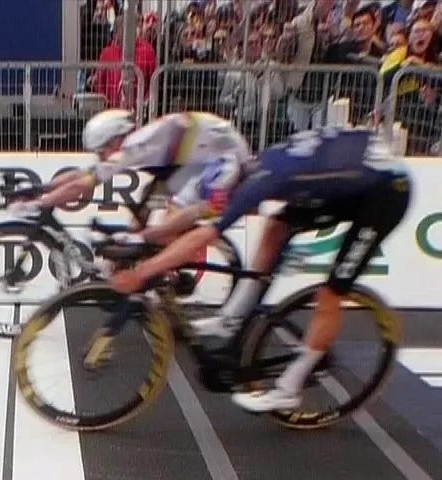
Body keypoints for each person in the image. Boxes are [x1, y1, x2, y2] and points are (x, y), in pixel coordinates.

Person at [109, 126, 411, 412]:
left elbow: (203, 234)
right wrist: (144, 237)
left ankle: (289, 389)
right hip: (346, 178)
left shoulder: (258, 184)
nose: (221, 207)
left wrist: (142, 272)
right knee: (275, 226)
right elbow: (199, 213)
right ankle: (232, 320)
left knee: (330, 294)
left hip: (385, 194)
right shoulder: (252, 168)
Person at [9, 109, 252, 230]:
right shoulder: (134, 143)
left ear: (114, 140)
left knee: (169, 222)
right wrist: (40, 188)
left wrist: (39, 204)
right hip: (191, 162)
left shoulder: (133, 148)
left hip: (225, 158)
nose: (100, 157)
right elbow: (83, 174)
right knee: (140, 216)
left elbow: (82, 185)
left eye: (101, 151)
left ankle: (165, 277)